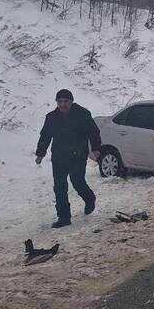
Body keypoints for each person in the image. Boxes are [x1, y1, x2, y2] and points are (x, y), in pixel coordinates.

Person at [35, 89, 101, 228]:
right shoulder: (51, 117)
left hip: (78, 154)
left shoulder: (82, 114)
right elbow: (45, 136)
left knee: (77, 181)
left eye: (66, 101)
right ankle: (64, 217)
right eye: (60, 102)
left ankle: (89, 198)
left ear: (71, 101)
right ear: (56, 102)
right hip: (59, 156)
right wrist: (40, 153)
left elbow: (93, 132)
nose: (63, 104)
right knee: (59, 186)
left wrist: (95, 148)